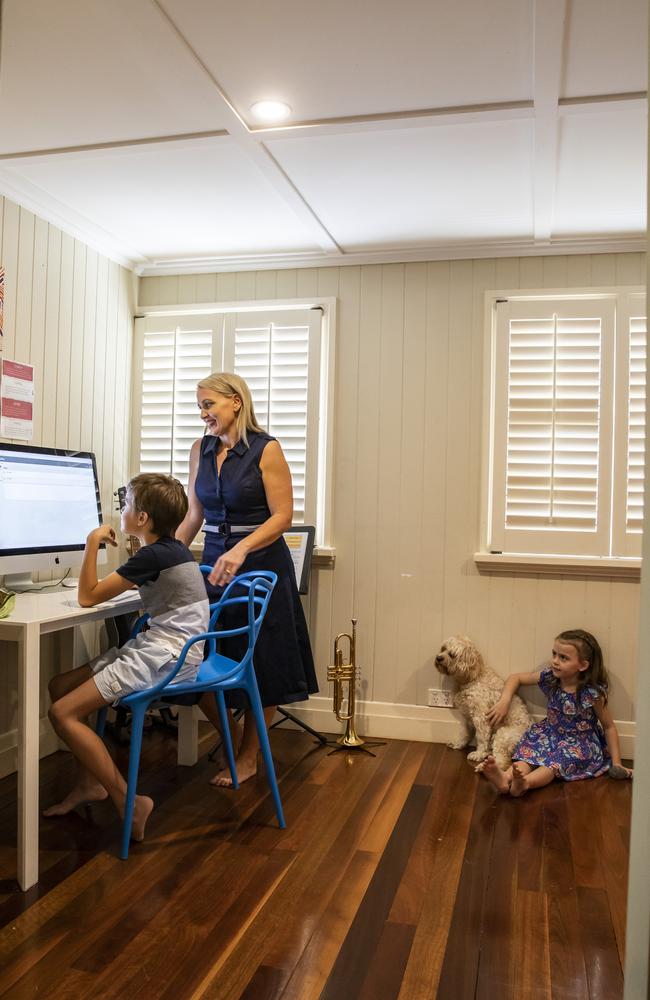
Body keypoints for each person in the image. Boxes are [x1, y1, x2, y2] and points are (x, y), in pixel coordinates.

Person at [44, 474, 209, 841]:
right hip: (170, 648)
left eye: (128, 504)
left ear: (142, 519)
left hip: (165, 657)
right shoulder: (169, 550)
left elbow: (88, 597)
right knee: (60, 687)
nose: (123, 509)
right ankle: (91, 783)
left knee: (62, 712)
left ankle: (129, 800)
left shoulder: (152, 555)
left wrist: (91, 543)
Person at [176, 371, 318, 786]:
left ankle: (252, 754)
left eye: (209, 405)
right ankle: (235, 738)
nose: (203, 414)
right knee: (201, 655)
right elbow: (193, 515)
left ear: (235, 402)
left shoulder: (266, 450)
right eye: (199, 406)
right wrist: (167, 555)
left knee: (261, 661)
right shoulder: (200, 450)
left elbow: (282, 517)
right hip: (217, 564)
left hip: (261, 564)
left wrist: (242, 549)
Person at [481, 628, 632, 797]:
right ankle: (505, 778)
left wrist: (617, 763)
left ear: (582, 665)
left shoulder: (592, 694)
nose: (555, 661)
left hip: (579, 743)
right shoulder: (551, 678)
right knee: (528, 754)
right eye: (554, 654)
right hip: (549, 734)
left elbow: (609, 726)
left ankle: (526, 783)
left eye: (563, 658)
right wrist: (505, 701)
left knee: (554, 764)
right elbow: (516, 678)